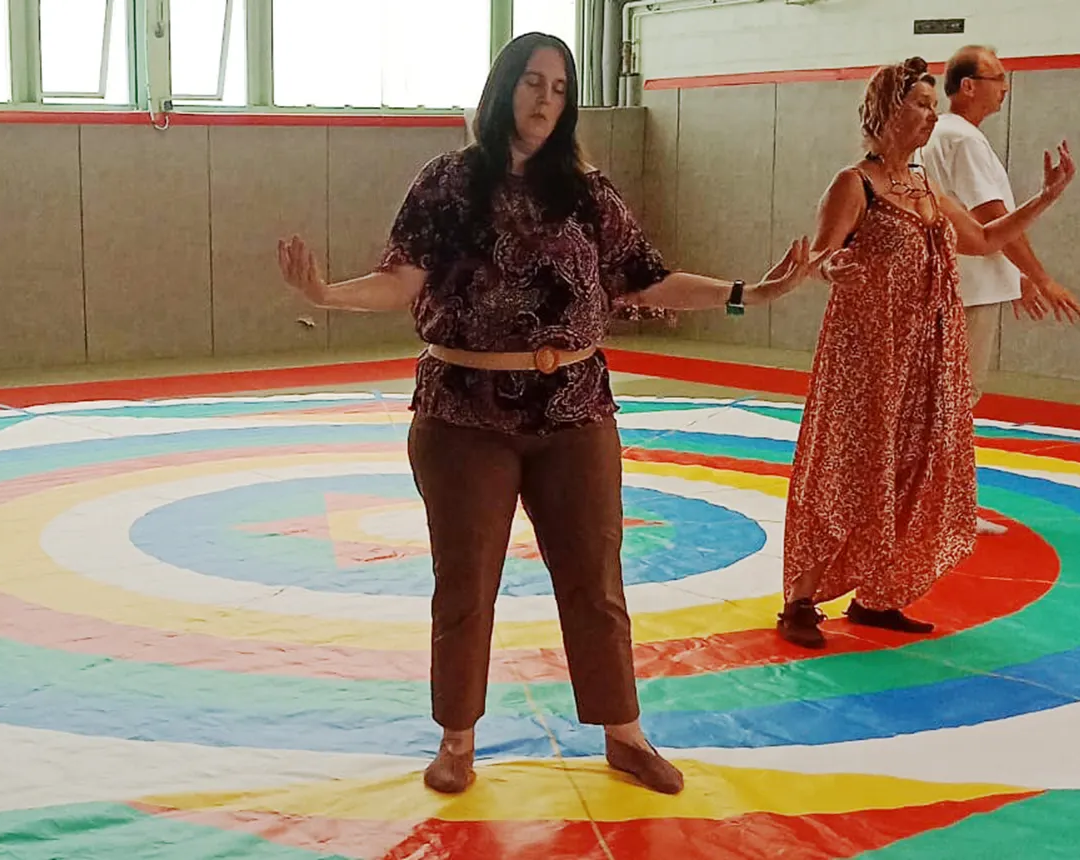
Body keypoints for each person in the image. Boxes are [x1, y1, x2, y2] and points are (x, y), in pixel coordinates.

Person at [275, 32, 817, 796]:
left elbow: (645, 280)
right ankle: (457, 740)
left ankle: (624, 734)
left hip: (575, 409)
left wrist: (745, 294)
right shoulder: (448, 183)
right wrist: (327, 296)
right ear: (504, 89)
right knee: (465, 583)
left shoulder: (587, 192)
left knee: (596, 580)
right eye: (532, 82)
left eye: (559, 88)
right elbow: (401, 281)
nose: (544, 99)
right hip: (463, 415)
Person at [776, 57, 1076, 649]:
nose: (930, 115)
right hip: (866, 356)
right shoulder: (853, 183)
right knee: (846, 471)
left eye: (933, 106)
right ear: (886, 110)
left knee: (914, 469)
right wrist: (834, 267)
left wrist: (1047, 197)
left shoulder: (925, 188)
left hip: (925, 353)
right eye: (919, 103)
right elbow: (819, 258)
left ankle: (878, 595)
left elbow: (988, 239)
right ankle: (801, 601)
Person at [918, 44, 1080, 536]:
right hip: (966, 290)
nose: (1005, 88)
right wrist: (1038, 276)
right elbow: (991, 220)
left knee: (944, 399)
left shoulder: (943, 139)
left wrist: (1016, 279)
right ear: (967, 85)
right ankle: (943, 508)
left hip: (956, 284)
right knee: (955, 398)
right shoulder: (962, 140)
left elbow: (981, 226)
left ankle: (936, 503)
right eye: (997, 78)